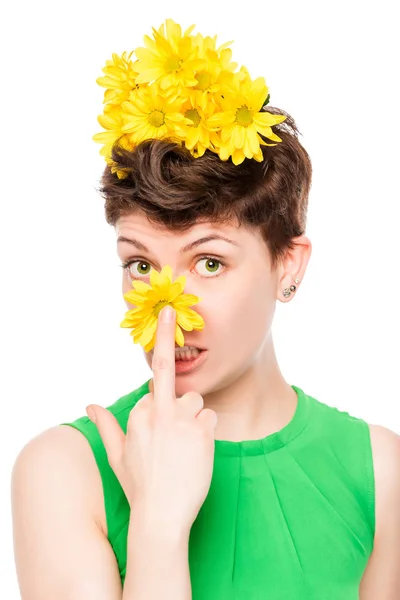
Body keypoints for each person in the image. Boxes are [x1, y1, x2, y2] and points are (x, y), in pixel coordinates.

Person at [11, 18, 400, 600]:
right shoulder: (63, 472)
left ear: (287, 265)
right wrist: (158, 530)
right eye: (141, 264)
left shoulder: (380, 472)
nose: (169, 313)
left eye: (209, 263)